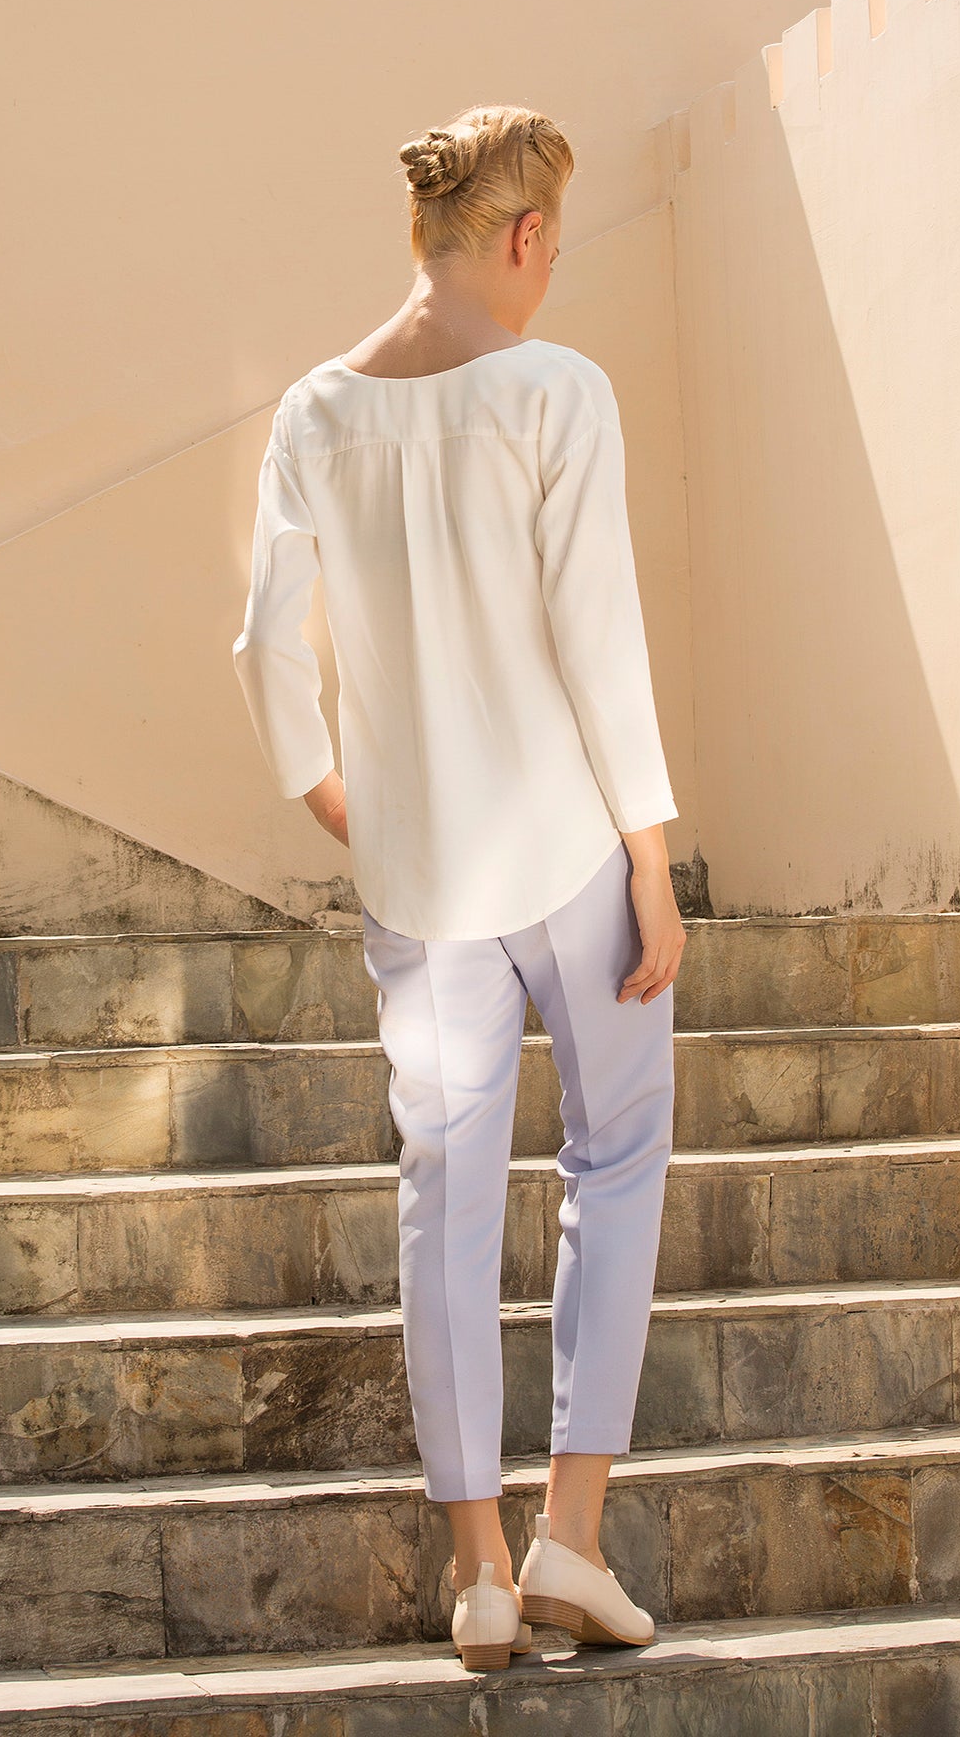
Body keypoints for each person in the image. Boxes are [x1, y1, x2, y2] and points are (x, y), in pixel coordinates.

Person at [231, 103, 686, 1671]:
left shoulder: (311, 412)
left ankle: (479, 1573)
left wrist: (332, 792)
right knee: (615, 1158)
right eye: (552, 243)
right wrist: (650, 849)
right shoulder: (558, 390)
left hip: (419, 878)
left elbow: (261, 644)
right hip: (568, 846)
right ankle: (575, 1535)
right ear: (519, 238)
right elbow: (597, 632)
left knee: (445, 1203)